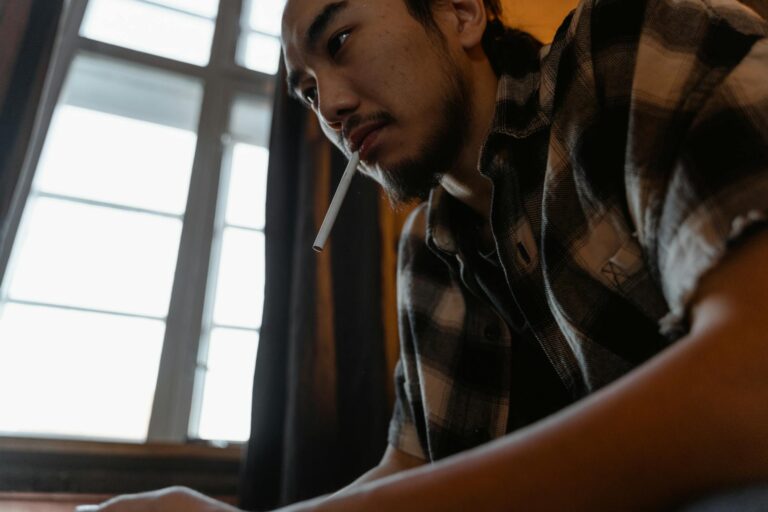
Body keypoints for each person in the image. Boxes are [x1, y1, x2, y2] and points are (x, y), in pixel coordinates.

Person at [81, 0, 768, 510]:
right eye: (309, 90)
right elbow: (410, 468)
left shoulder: (619, 53)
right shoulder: (428, 252)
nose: (333, 108)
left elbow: (750, 386)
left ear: (462, 12)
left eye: (341, 40)